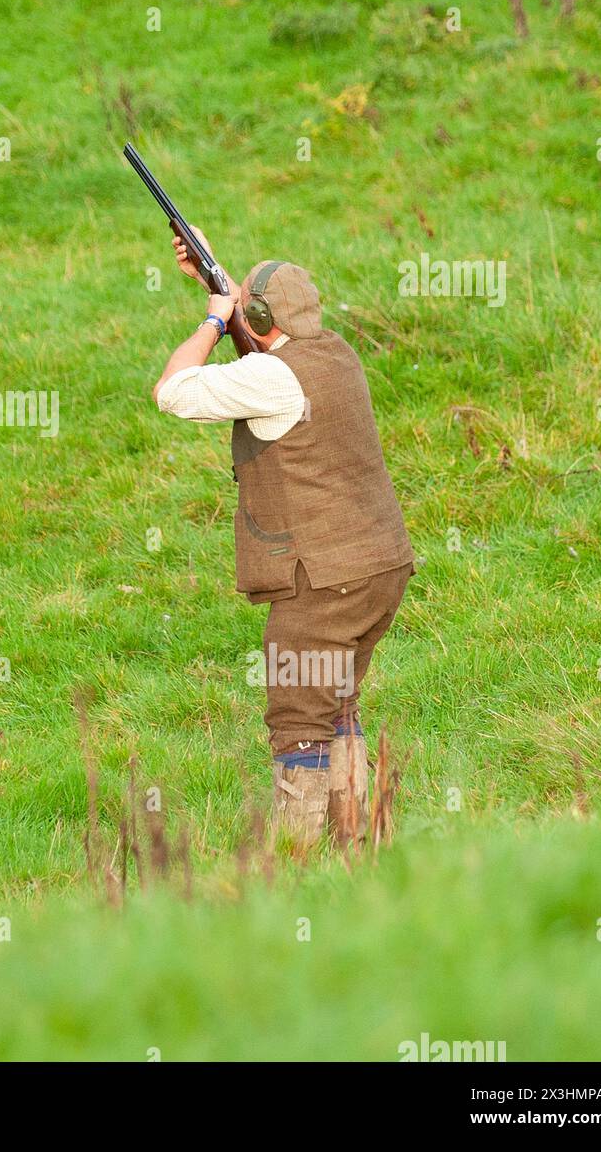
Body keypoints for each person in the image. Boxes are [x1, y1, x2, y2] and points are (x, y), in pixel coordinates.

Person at [153, 235, 413, 845]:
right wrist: (216, 287)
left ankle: (295, 863)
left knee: (298, 717)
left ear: (258, 317)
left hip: (325, 579)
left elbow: (172, 391)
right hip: (381, 568)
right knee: (336, 701)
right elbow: (268, 348)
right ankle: (358, 847)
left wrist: (214, 319)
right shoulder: (336, 352)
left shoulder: (272, 379)